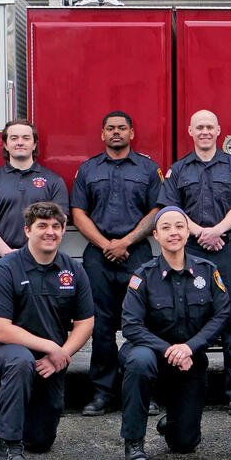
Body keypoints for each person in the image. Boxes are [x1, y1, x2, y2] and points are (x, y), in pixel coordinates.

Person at [0, 202, 94, 460]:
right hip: (7, 351)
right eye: (42, 226)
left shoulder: (73, 270)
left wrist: (61, 355)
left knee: (41, 441)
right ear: (27, 231)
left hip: (51, 360)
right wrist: (51, 347)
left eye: (56, 226)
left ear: (63, 230)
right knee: (20, 362)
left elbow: (85, 322)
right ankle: (8, 447)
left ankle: (13, 418)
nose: (50, 232)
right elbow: (0, 329)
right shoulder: (5, 269)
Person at [119, 206, 230, 460]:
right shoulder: (142, 276)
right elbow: (131, 326)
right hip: (150, 354)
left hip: (189, 359)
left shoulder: (207, 271)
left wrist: (189, 348)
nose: (174, 232)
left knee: (184, 443)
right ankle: (134, 442)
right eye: (166, 227)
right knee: (139, 361)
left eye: (180, 226)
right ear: (155, 235)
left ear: (188, 231)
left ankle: (175, 422)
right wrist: (170, 350)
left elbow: (222, 315)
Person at [0, 119, 68, 421]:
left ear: (35, 143)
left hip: (41, 266)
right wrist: (10, 254)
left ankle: (40, 390)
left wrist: (31, 254)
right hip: (0, 263)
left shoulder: (52, 181)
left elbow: (60, 223)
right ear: (5, 144)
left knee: (43, 325)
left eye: (26, 137)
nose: (20, 142)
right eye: (13, 138)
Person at [70, 110, 161, 417]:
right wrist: (106, 243)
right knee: (101, 326)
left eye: (122, 128)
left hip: (137, 254)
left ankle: (142, 391)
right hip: (98, 255)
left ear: (132, 133)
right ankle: (102, 392)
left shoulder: (148, 169)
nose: (117, 132)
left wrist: (126, 242)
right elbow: (78, 212)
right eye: (111, 128)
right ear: (103, 134)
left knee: (142, 324)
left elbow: (156, 211)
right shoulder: (87, 169)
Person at [161, 109, 231, 417]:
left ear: (218, 130)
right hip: (192, 251)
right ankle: (187, 389)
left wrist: (217, 230)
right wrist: (199, 232)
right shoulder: (178, 169)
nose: (204, 131)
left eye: (210, 127)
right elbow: (172, 209)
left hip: (226, 249)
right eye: (199, 127)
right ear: (190, 131)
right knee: (189, 316)